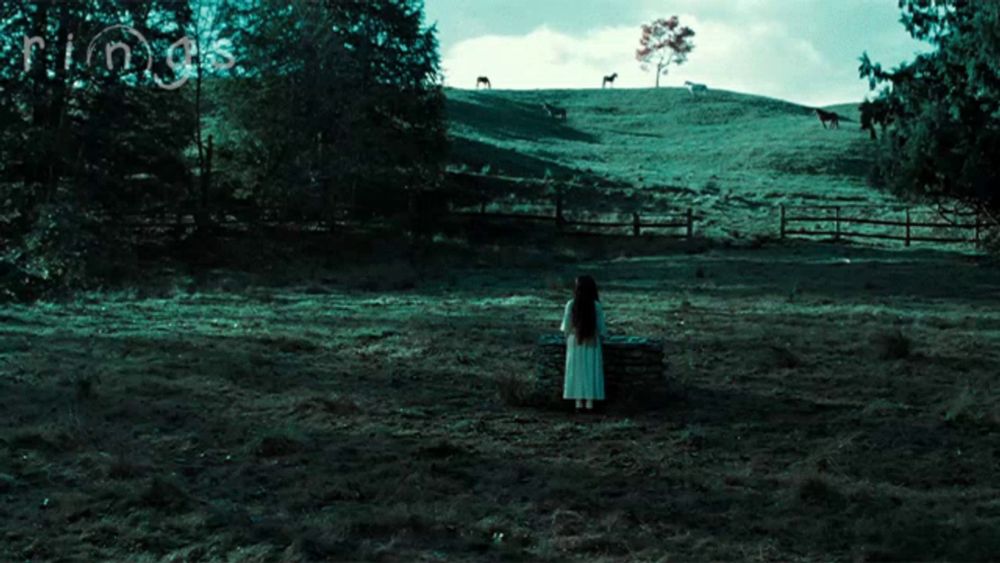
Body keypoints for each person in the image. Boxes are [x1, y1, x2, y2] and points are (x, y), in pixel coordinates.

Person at [560, 275, 607, 411]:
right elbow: (601, 328)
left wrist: (567, 337)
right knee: (590, 369)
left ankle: (578, 402)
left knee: (576, 370)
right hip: (592, 341)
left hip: (575, 341)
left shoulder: (571, 304)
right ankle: (590, 402)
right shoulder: (596, 305)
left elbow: (566, 327)